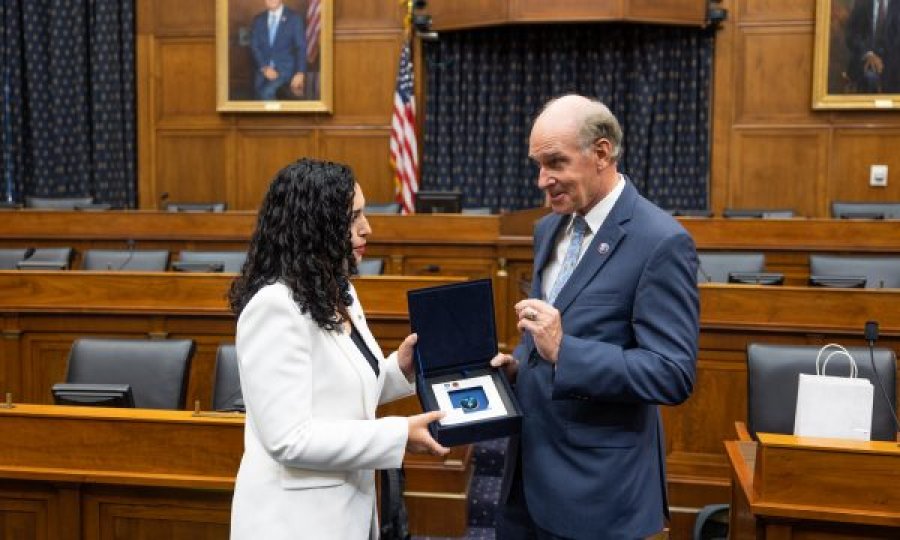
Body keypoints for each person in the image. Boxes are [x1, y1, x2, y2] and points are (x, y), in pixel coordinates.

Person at [490, 95, 699, 539]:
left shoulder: (660, 241)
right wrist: (520, 364)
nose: (542, 180)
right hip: (526, 480)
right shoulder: (550, 227)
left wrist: (565, 351)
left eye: (555, 163)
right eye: (537, 164)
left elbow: (672, 373)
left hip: (597, 493)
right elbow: (548, 330)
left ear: (601, 153)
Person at [228, 158, 449, 539]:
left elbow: (346, 397)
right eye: (353, 218)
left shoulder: (338, 291)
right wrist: (398, 436)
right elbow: (289, 440)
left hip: (348, 510)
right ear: (315, 226)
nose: (368, 228)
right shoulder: (274, 307)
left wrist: (401, 369)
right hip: (294, 521)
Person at [250, 0, 307, 100]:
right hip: (263, 72)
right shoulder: (258, 20)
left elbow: (301, 48)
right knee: (256, 98)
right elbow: (255, 47)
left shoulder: (294, 19)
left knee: (267, 93)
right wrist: (264, 67)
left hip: (286, 72)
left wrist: (300, 73)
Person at [845, 0, 900, 93]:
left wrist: (885, 61)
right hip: (865, 60)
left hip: (894, 63)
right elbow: (851, 35)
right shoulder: (862, 3)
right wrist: (868, 54)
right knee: (869, 79)